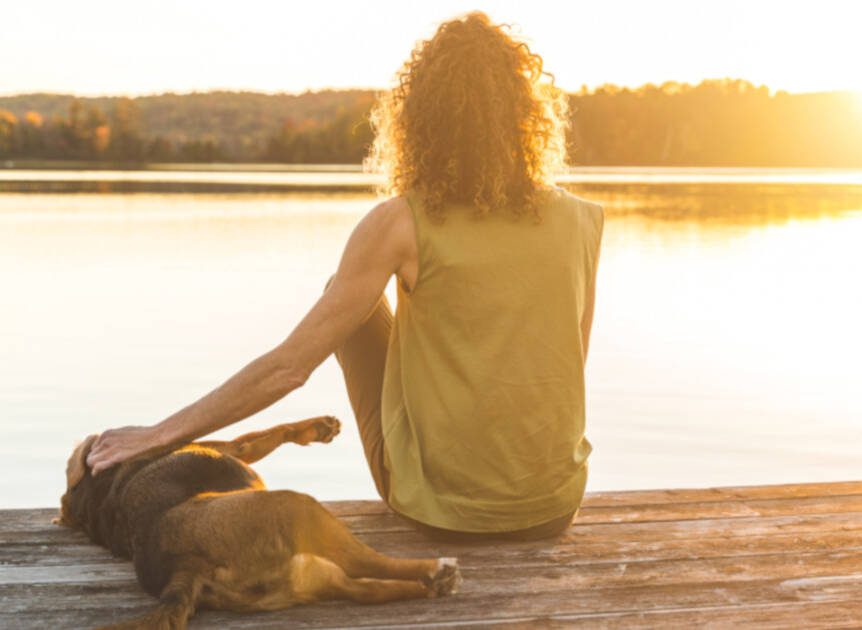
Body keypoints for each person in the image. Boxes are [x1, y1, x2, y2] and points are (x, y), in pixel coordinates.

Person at [86, 10, 604, 541]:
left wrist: (157, 436)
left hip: (442, 513)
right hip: (553, 506)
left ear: (422, 119)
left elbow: (288, 368)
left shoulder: (401, 222)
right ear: (526, 117)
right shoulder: (585, 219)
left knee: (345, 297)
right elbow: (567, 365)